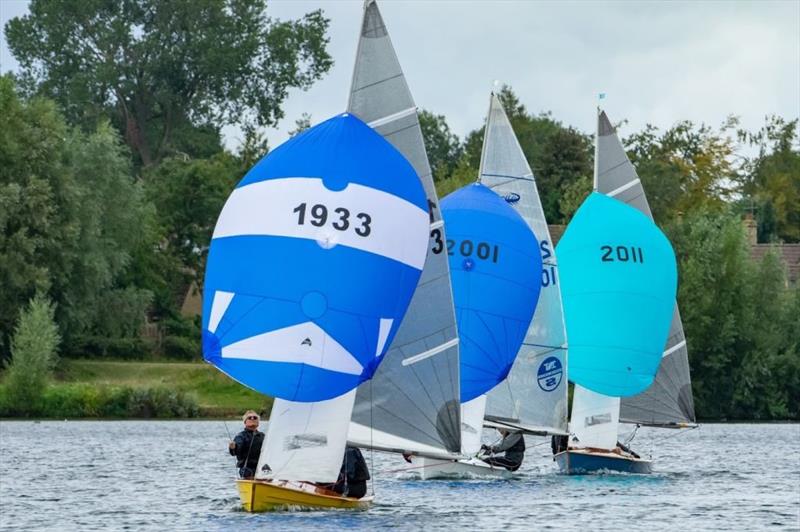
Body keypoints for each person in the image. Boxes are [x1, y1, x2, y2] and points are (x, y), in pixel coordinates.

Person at [228, 410, 265, 478]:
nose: (252, 419)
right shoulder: (241, 436)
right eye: (249, 417)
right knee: (248, 474)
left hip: (262, 468)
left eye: (255, 417)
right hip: (247, 469)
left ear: (258, 422)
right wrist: (233, 447)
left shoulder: (263, 436)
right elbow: (234, 452)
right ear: (245, 422)